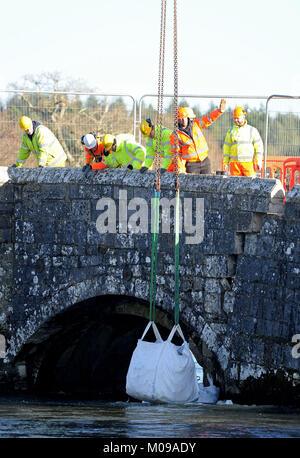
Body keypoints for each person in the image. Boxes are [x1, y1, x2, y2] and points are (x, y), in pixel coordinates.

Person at [170, 99, 226, 175]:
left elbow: (208, 119)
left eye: (184, 117)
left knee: (208, 183)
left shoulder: (195, 125)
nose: (182, 120)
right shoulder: (175, 135)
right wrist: (181, 170)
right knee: (193, 185)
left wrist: (219, 111)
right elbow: (176, 154)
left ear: (188, 117)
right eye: (180, 118)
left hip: (205, 160)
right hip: (191, 164)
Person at [223, 106, 264, 177]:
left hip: (248, 164)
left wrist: (259, 161)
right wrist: (225, 163)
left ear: (243, 117)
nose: (236, 120)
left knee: (250, 185)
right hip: (234, 165)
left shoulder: (252, 130)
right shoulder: (230, 132)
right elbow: (226, 148)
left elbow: (259, 147)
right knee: (235, 186)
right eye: (234, 118)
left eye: (237, 118)